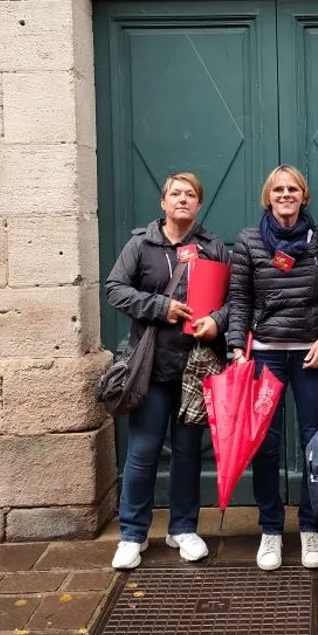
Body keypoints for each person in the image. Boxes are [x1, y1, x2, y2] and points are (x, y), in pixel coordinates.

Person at [105, 172, 229, 570]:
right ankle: (132, 534)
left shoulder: (213, 248)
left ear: (198, 203)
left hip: (195, 367)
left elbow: (236, 299)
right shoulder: (141, 244)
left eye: (190, 194)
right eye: (175, 193)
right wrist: (161, 307)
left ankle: (184, 528)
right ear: (163, 202)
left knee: (189, 453)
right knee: (142, 452)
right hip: (152, 368)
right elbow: (115, 288)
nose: (182, 200)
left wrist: (218, 321)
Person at [227, 165, 318, 571]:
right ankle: (271, 530)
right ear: (268, 196)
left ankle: (311, 526)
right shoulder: (248, 240)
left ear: (303, 195)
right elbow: (239, 298)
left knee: (315, 441)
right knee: (265, 443)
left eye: (292, 188)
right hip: (265, 355)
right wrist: (236, 348)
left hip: (311, 354)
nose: (285, 194)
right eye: (278, 189)